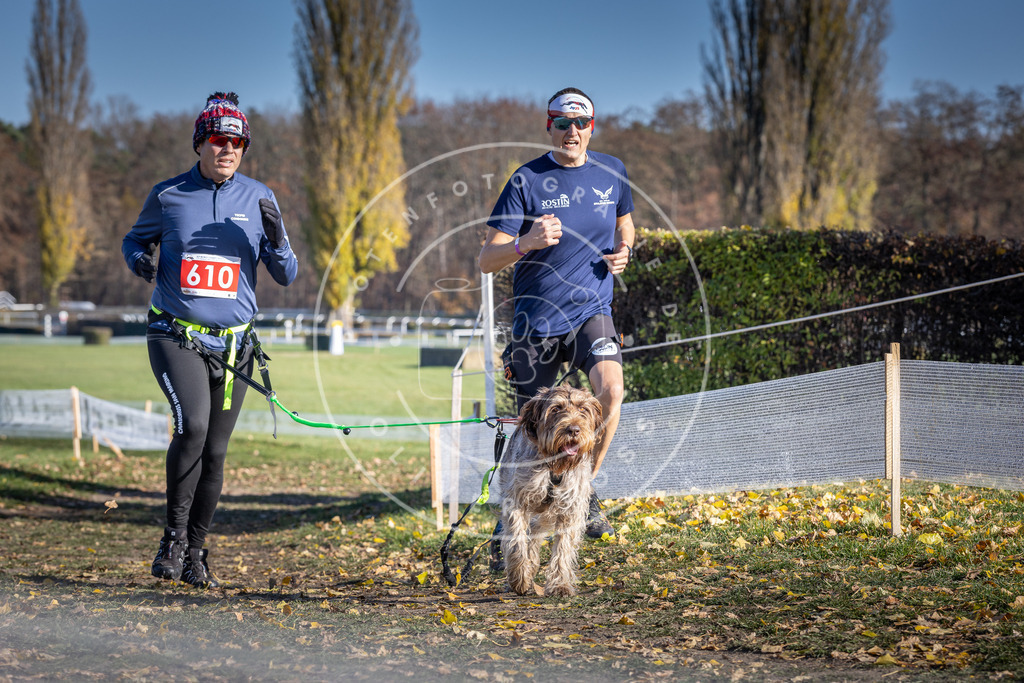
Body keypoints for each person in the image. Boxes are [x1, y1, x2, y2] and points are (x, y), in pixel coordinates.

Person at [122, 92, 298, 588]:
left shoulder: (259, 197)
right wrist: (139, 259)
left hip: (236, 346)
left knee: (216, 451)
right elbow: (134, 239)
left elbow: (286, 274)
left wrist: (278, 239)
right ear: (201, 142)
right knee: (193, 427)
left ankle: (197, 554)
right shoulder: (168, 195)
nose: (229, 149)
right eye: (220, 140)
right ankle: (172, 540)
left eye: (238, 143)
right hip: (175, 334)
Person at [479, 87, 635, 567]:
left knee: (612, 391)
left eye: (580, 123)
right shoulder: (526, 179)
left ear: (592, 127)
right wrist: (525, 242)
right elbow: (487, 259)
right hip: (537, 319)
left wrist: (626, 250)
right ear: (550, 127)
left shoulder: (613, 171)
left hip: (592, 310)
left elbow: (626, 224)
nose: (572, 131)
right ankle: (511, 519)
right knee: (532, 428)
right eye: (562, 123)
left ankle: (584, 491)